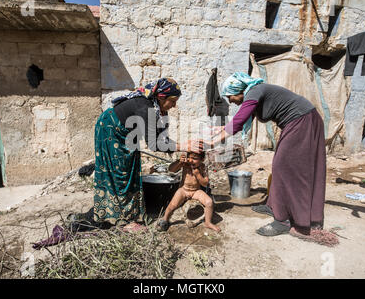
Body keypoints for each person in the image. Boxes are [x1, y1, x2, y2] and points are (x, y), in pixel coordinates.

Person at [70, 78, 203, 232]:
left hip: (123, 133)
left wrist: (181, 146)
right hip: (112, 131)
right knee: (121, 175)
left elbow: (161, 138)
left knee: (131, 171)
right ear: (161, 97)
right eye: (172, 101)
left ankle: (119, 215)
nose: (174, 105)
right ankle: (123, 221)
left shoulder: (154, 107)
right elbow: (154, 144)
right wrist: (182, 146)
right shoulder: (146, 108)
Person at [207, 72, 326, 238]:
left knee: (285, 168)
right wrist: (219, 130)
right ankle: (274, 206)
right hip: (297, 122)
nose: (230, 101)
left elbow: (239, 122)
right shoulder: (254, 92)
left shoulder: (254, 92)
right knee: (279, 165)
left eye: (230, 97)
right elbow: (239, 119)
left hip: (302, 121)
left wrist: (211, 144)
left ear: (237, 91)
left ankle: (284, 220)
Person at [157, 151, 221, 232]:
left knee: (209, 202)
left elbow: (205, 183)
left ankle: (208, 222)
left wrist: (198, 175)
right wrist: (179, 162)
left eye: (194, 159)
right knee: (172, 205)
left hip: (196, 191)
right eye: (189, 157)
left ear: (202, 159)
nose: (191, 160)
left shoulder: (203, 167)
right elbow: (171, 169)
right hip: (184, 190)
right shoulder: (185, 164)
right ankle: (165, 220)